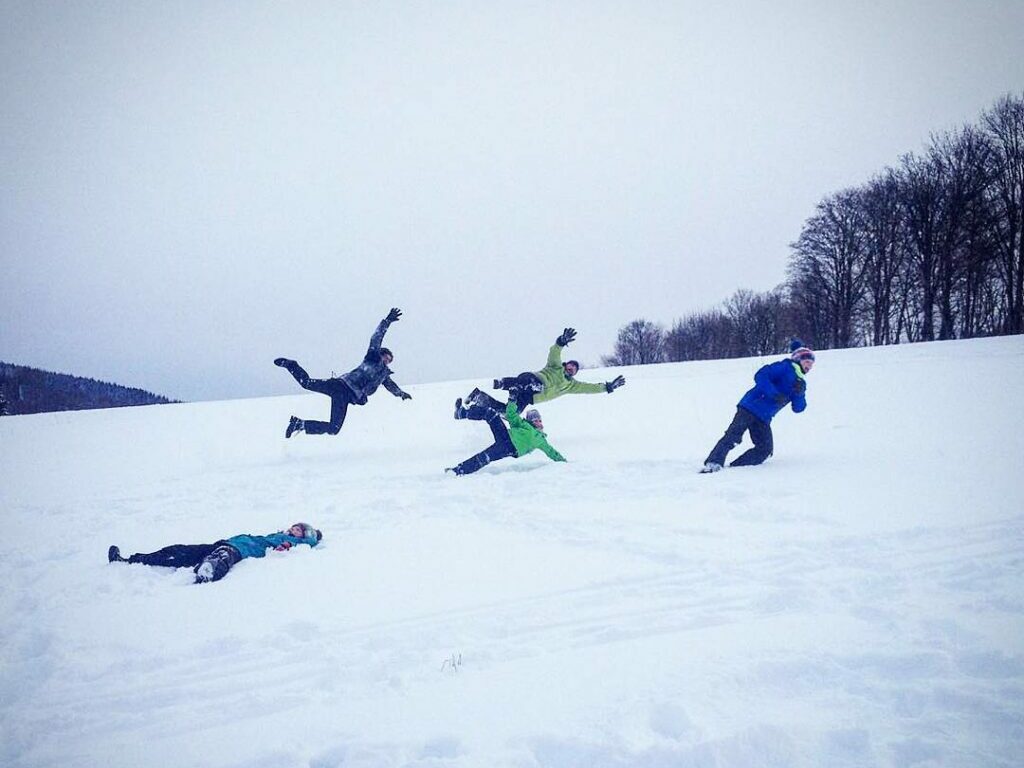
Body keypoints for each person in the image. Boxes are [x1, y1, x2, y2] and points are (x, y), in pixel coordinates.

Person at [274, 307, 412, 438]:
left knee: (334, 429)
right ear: (381, 355)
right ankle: (291, 365)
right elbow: (375, 339)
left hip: (346, 397)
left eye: (389, 361)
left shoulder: (383, 375)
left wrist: (401, 394)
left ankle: (299, 424)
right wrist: (387, 321)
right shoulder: (373, 357)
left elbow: (391, 385)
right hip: (340, 386)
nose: (387, 361)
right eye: (386, 358)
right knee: (306, 383)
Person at [701, 340, 815, 473]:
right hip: (750, 406)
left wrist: (800, 393)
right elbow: (761, 375)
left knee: (765, 449)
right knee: (734, 435)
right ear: (797, 359)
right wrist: (773, 393)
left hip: (764, 418)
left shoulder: (800, 382)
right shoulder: (785, 367)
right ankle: (713, 462)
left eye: (811, 364)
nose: (809, 366)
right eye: (806, 362)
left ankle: (737, 467)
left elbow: (798, 409)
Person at [467, 328, 626, 414]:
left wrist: (607, 387)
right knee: (528, 384)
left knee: (510, 415)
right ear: (565, 365)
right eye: (570, 366)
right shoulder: (555, 366)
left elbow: (589, 388)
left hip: (531, 398)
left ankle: (479, 397)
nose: (571, 370)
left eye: (574, 370)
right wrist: (560, 342)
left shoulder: (571, 386)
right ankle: (502, 383)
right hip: (534, 381)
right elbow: (554, 352)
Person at [107, 523, 322, 584]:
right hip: (225, 543)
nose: (294, 529)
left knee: (222, 557)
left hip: (238, 549)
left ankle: (208, 573)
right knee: (178, 552)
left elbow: (285, 549)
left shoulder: (293, 543)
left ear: (304, 538)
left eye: (299, 531)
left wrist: (285, 547)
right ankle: (131, 560)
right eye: (295, 527)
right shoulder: (277, 534)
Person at [447, 399, 566, 476]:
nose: (538, 422)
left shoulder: (541, 439)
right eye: (535, 420)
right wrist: (512, 401)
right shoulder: (522, 424)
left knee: (484, 457)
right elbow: (511, 414)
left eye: (539, 420)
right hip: (505, 436)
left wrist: (565, 464)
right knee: (490, 413)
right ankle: (461, 413)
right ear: (530, 421)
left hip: (510, 449)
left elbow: (552, 452)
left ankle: (457, 471)